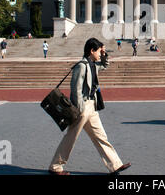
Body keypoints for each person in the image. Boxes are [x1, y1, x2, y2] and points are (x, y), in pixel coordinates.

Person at [48, 38, 131, 175]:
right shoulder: (81, 66)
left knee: (100, 136)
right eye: (98, 51)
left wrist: (104, 54)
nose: (99, 54)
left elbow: (104, 65)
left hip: (91, 107)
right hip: (82, 107)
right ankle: (55, 167)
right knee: (71, 138)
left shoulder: (93, 64)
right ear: (91, 51)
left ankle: (115, 165)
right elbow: (76, 89)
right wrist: (79, 109)